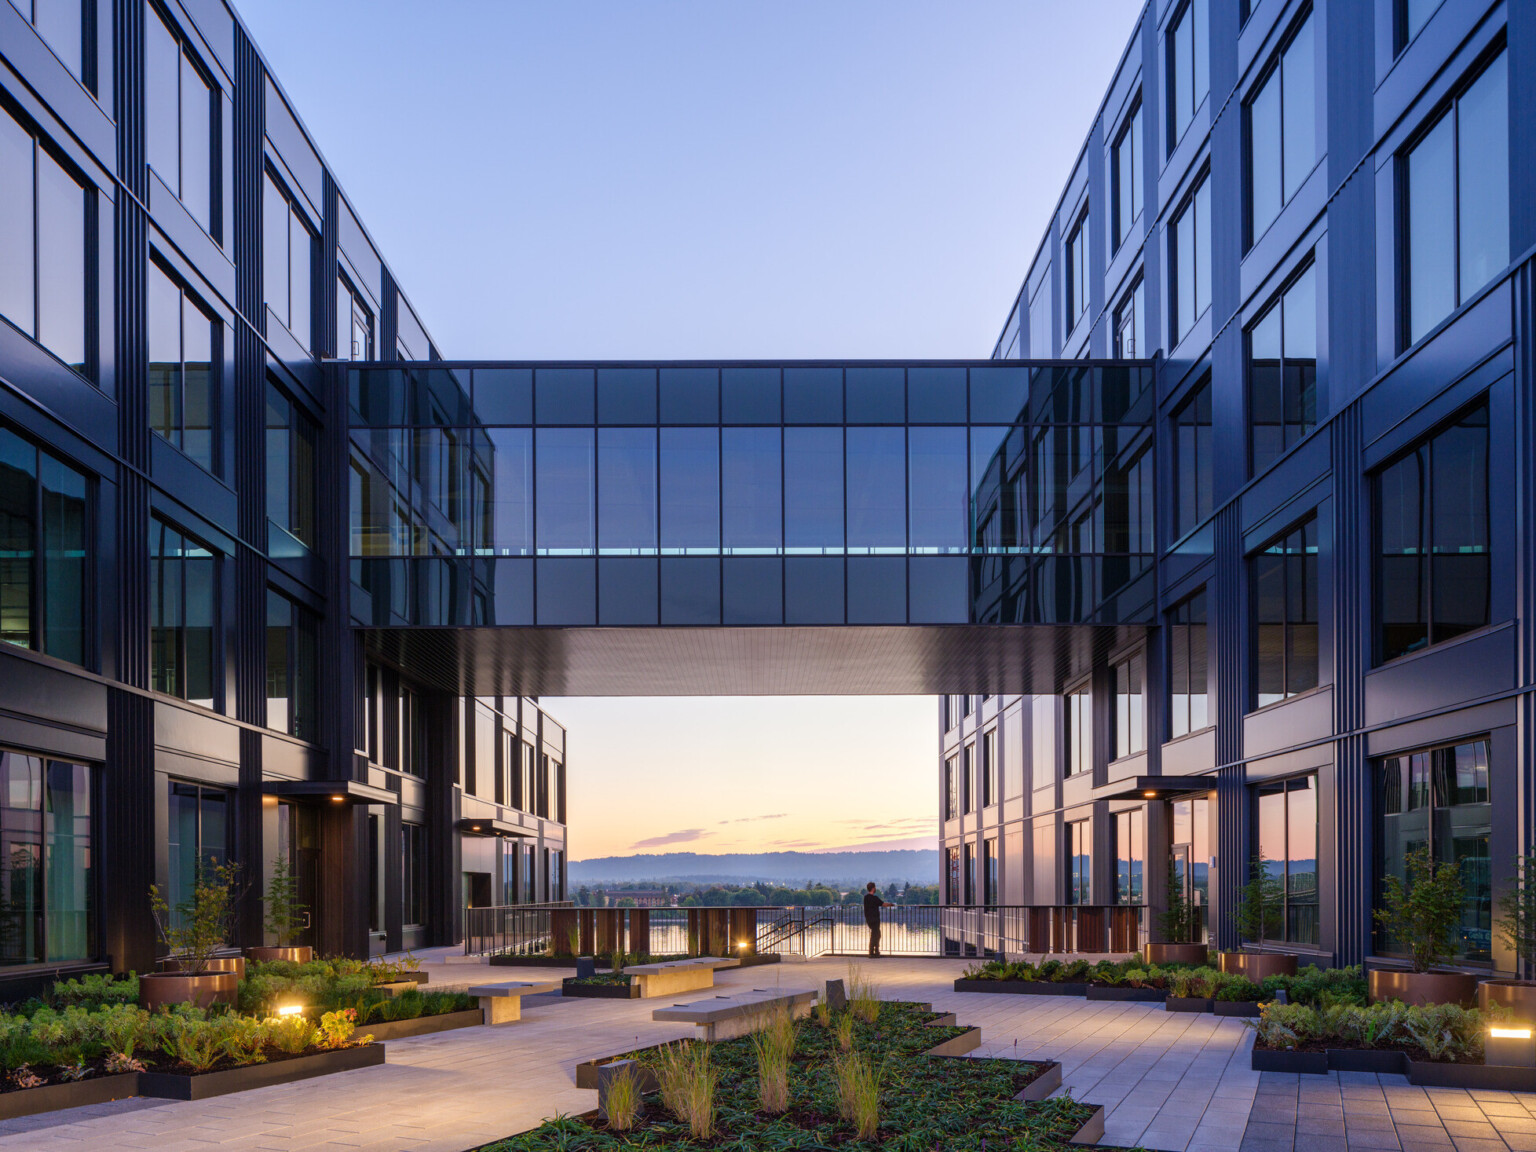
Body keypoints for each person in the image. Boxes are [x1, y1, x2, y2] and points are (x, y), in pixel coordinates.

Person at [863, 882, 893, 957]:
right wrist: (891, 904)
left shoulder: (866, 898)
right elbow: (883, 904)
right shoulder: (874, 898)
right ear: (873, 888)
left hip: (869, 919)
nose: (875, 888)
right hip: (875, 919)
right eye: (875, 887)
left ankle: (874, 951)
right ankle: (873, 952)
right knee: (876, 935)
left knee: (876, 934)